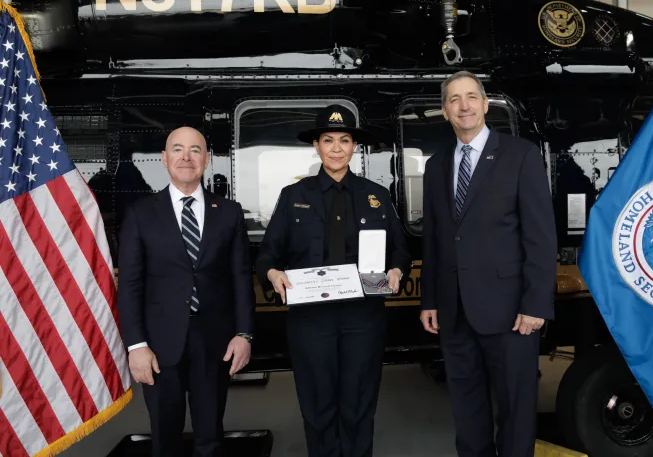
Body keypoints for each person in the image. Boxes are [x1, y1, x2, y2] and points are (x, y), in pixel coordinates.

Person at [255, 104, 412, 457]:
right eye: (328, 140)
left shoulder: (377, 196)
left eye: (344, 140)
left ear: (354, 146)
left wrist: (397, 270)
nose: (337, 148)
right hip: (310, 319)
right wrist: (272, 272)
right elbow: (267, 253)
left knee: (359, 404)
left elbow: (400, 251)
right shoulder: (294, 196)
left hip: (363, 316)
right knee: (317, 404)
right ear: (317, 145)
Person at [419, 71, 557, 457]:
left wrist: (535, 305)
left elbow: (541, 238)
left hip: (511, 311)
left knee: (515, 408)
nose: (463, 106)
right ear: (445, 111)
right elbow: (435, 239)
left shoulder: (520, 155)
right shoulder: (436, 166)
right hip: (455, 310)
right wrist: (430, 299)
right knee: (467, 409)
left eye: (470, 97)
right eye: (454, 100)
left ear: (485, 104)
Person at [117, 127, 255, 457]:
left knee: (211, 436)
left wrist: (244, 335)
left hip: (215, 342)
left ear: (206, 160)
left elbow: (240, 278)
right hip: (159, 344)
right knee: (165, 437)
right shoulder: (140, 214)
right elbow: (131, 284)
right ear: (164, 159)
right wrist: (136, 346)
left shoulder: (230, 213)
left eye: (195, 150)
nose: (186, 157)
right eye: (177, 149)